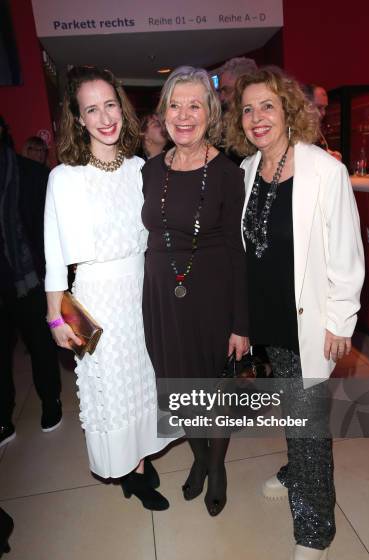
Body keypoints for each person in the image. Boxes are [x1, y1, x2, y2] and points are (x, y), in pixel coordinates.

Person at [225, 68, 364, 560]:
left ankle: (314, 529)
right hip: (264, 324)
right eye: (248, 109)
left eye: (267, 106)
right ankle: (295, 470)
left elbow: (347, 255)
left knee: (308, 423)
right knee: (294, 412)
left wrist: (340, 321)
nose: (258, 118)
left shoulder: (323, 171)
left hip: (306, 323)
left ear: (287, 110)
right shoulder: (245, 171)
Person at [44, 65, 172, 511]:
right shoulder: (65, 178)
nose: (104, 117)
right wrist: (56, 315)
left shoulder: (140, 169)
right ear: (78, 118)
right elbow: (54, 254)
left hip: (143, 291)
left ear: (122, 106)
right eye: (91, 109)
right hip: (97, 297)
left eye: (110, 104)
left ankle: (138, 456)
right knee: (113, 389)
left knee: (143, 382)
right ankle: (131, 474)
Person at [142, 66, 249, 516]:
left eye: (194, 105)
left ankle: (217, 466)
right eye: (175, 105)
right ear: (163, 112)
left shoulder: (227, 172)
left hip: (211, 298)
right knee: (179, 390)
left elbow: (238, 252)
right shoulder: (148, 171)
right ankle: (200, 458)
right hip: (162, 300)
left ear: (210, 113)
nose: (183, 115)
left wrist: (241, 323)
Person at [0, 116, 62, 448]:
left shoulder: (33, 173)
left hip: (30, 278)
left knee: (40, 344)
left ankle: (51, 401)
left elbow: (50, 231)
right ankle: (2, 416)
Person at [304, 83, 342, 161]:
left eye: (325, 108)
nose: (324, 112)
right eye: (319, 107)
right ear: (305, 105)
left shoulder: (314, 128)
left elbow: (316, 150)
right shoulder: (295, 130)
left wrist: (330, 154)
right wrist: (329, 158)